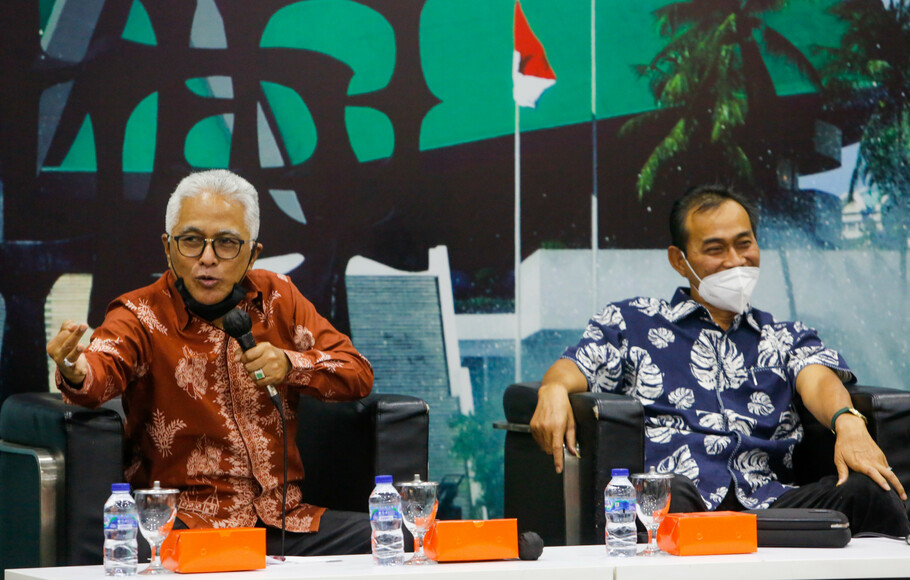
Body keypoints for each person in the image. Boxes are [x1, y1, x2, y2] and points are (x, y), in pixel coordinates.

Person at [530, 184, 910, 536]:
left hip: (769, 504)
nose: (735, 261)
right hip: (678, 501)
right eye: (715, 249)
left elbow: (818, 380)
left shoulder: (783, 336)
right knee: (664, 494)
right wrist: (552, 389)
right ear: (679, 261)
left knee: (869, 490)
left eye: (744, 244)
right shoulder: (632, 322)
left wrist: (848, 424)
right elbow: (576, 366)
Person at [46, 169, 378, 555]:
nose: (207, 258)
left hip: (281, 520)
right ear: (168, 248)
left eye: (226, 244)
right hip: (183, 524)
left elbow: (357, 372)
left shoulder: (278, 298)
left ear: (253, 253)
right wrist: (74, 368)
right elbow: (100, 370)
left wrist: (291, 366)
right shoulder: (139, 312)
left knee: (403, 537)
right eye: (191, 241)